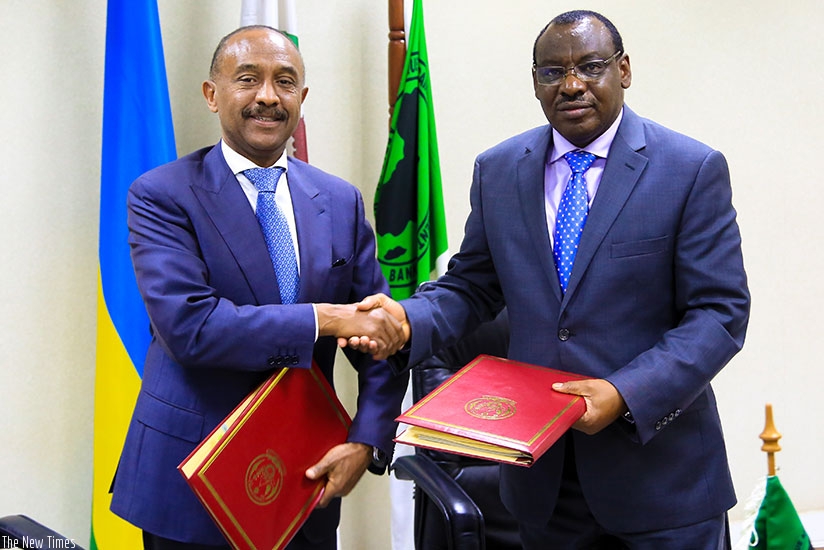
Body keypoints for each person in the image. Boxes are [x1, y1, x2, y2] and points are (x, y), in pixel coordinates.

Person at [352, 10, 750, 549]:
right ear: (535, 80)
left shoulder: (689, 168)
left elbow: (719, 314)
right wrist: (405, 319)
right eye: (552, 72)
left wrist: (623, 393)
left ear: (624, 70)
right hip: (543, 484)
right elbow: (471, 286)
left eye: (591, 66)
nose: (572, 85)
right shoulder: (499, 170)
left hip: (662, 482)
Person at [110, 26, 408, 550]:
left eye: (285, 82)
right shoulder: (162, 195)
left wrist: (366, 442)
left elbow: (379, 334)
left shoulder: (340, 201)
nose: (268, 96)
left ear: (301, 97)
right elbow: (192, 329)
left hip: (305, 480)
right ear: (212, 94)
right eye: (248, 79)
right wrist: (326, 318)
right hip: (191, 481)